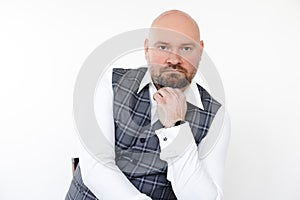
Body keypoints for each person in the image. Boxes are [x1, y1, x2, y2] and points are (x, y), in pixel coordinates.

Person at [66, 9, 230, 200]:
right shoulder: (108, 84)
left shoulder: (216, 117)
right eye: (163, 47)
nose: (174, 59)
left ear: (200, 50)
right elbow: (96, 168)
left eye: (186, 48)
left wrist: (176, 128)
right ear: (146, 49)